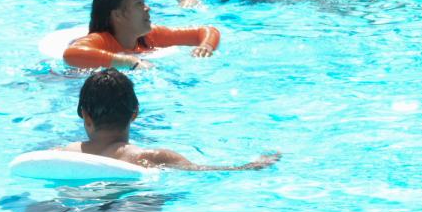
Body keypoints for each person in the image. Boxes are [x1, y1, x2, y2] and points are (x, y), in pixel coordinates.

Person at [61, 69, 280, 171]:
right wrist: (252, 166)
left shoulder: (64, 154)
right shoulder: (148, 157)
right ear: (134, 113)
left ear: (86, 117)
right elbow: (205, 171)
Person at [63, 0, 220, 70]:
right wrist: (129, 61)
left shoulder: (149, 36)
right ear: (118, 14)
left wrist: (205, 46)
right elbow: (71, 54)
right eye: (139, 3)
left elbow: (207, 30)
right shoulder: (101, 41)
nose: (147, 8)